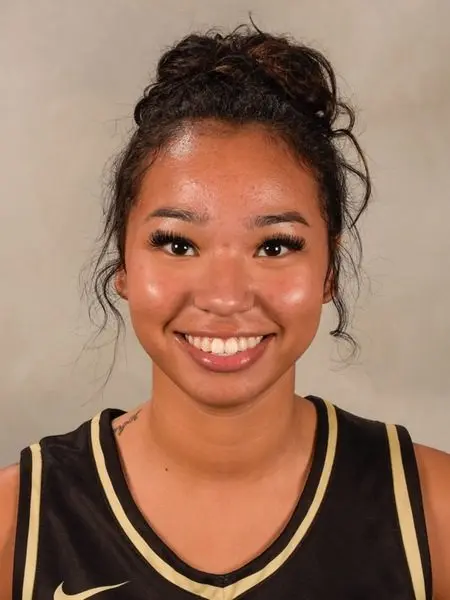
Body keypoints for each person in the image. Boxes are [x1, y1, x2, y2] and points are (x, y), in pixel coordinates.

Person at [0, 24, 449, 600]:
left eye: (275, 246)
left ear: (329, 272)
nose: (225, 296)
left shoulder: (430, 514)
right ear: (123, 264)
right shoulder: (19, 520)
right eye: (177, 244)